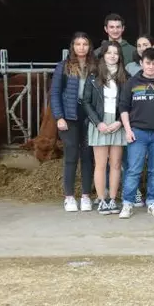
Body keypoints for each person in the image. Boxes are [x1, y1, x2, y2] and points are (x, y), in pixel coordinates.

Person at [118, 47, 154, 219]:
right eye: (148, 63)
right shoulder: (132, 83)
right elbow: (123, 107)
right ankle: (128, 203)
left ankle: (152, 201)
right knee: (134, 170)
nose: (151, 67)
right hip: (138, 132)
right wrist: (128, 130)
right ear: (141, 63)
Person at [50, 32, 96, 212]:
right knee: (71, 156)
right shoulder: (63, 67)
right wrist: (59, 116)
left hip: (89, 114)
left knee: (87, 156)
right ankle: (69, 197)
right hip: (69, 115)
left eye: (85, 44)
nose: (81, 47)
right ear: (73, 47)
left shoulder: (95, 66)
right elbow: (54, 93)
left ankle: (85, 196)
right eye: (78, 44)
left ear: (89, 47)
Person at [83, 41, 128, 215]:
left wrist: (119, 121)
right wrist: (98, 122)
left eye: (116, 53)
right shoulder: (93, 75)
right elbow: (86, 102)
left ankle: (113, 200)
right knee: (100, 164)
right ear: (103, 55)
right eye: (109, 53)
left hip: (118, 122)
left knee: (116, 164)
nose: (112, 56)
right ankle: (102, 199)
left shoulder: (126, 76)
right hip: (99, 122)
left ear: (120, 56)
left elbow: (128, 103)